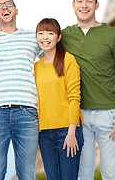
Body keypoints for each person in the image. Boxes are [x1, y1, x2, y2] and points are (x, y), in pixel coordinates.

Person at [60, 0, 115, 180]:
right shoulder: (65, 35)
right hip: (79, 116)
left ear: (96, 5)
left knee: (110, 175)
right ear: (73, 5)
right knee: (82, 175)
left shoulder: (112, 35)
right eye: (80, 1)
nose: (84, 5)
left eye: (89, 1)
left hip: (109, 116)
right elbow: (43, 44)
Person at [0, 0, 41, 180]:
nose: (4, 7)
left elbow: (52, 62)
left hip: (27, 111)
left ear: (16, 10)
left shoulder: (34, 37)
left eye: (8, 4)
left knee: (27, 175)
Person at [34, 18, 83, 180]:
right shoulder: (36, 67)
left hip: (67, 130)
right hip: (45, 134)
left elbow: (74, 97)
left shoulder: (68, 60)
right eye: (40, 33)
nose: (45, 37)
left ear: (58, 37)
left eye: (50, 33)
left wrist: (71, 132)